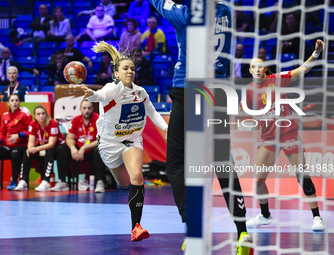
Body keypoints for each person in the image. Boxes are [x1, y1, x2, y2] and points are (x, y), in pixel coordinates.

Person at [148, 0, 253, 254]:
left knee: (174, 162)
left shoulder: (186, 15)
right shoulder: (226, 12)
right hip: (217, 93)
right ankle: (243, 232)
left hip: (189, 92)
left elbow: (159, 3)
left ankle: (193, 228)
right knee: (222, 163)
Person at [78, 41, 168, 241]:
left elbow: (152, 113)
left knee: (137, 177)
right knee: (125, 183)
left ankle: (136, 227)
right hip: (109, 144)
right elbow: (99, 96)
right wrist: (91, 94)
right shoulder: (112, 89)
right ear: (116, 74)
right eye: (125, 68)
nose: (130, 71)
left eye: (132, 68)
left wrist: (167, 129)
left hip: (132, 140)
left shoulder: (140, 92)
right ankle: (123, 185)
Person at [242, 39, 325, 231]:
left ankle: (317, 218)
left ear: (265, 70)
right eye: (253, 67)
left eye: (260, 67)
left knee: (302, 176)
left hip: (288, 134)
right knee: (259, 180)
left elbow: (302, 69)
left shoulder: (277, 79)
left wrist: (316, 53)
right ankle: (265, 215)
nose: (257, 70)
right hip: (268, 137)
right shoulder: (249, 90)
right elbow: (244, 110)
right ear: (250, 70)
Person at [52, 100, 109, 193]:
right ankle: (62, 181)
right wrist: (73, 148)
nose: (87, 110)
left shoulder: (98, 119)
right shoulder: (76, 120)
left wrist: (84, 148)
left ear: (93, 109)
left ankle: (100, 181)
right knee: (61, 149)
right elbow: (69, 138)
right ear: (80, 109)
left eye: (89, 108)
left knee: (100, 149)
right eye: (84, 108)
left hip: (92, 150)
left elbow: (100, 140)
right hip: (78, 151)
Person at [15, 105, 65, 191]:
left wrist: (36, 149)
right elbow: (31, 141)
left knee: (49, 151)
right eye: (38, 114)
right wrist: (30, 148)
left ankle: (46, 182)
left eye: (43, 113)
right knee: (27, 151)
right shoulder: (33, 124)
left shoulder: (52, 123)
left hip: (58, 147)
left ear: (46, 114)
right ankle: (23, 181)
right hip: (42, 147)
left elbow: (51, 144)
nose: (41, 116)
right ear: (34, 116)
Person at [0, 94, 32, 190]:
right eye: (12, 100)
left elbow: (30, 132)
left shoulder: (25, 114)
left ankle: (14, 180)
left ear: (19, 102)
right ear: (8, 103)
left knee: (15, 153)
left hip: (21, 145)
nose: (14, 102)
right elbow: (2, 132)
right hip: (7, 146)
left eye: (16, 100)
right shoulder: (5, 116)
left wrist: (19, 135)